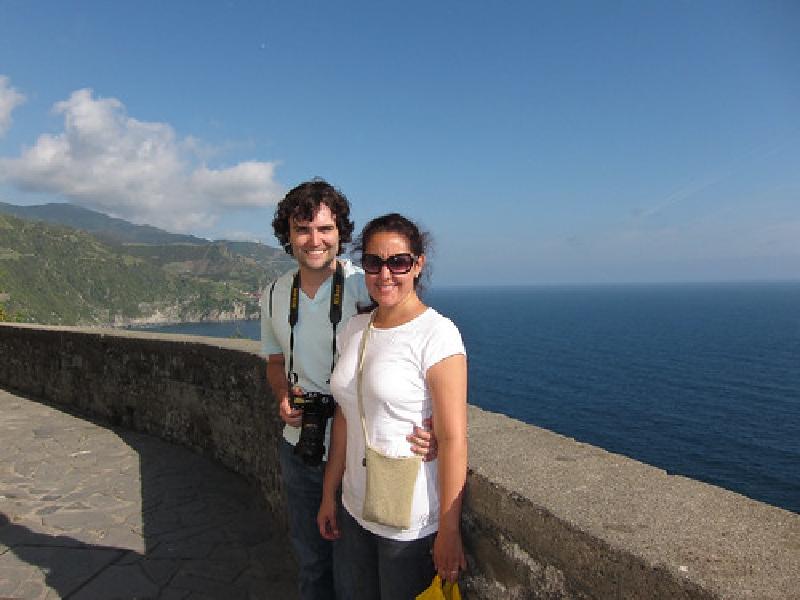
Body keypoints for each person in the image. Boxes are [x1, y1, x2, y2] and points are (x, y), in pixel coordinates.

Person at [262, 182, 436, 600]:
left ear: (341, 233)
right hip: (302, 447)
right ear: (288, 234)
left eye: (325, 228)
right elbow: (273, 361)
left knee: (359, 577)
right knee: (312, 563)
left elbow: (415, 342)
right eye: (303, 229)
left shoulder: (368, 282)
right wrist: (282, 396)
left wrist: (434, 423)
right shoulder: (273, 294)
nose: (314, 240)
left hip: (362, 453)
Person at [317, 213, 468, 600]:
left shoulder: (436, 335)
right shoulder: (355, 329)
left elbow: (452, 439)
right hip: (354, 508)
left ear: (417, 265)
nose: (385, 274)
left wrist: (449, 531)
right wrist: (328, 493)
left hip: (408, 524)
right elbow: (346, 416)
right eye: (373, 262)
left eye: (398, 262)